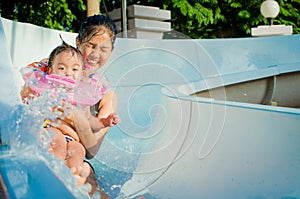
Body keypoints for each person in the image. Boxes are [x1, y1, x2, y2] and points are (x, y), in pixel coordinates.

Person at [20, 42, 120, 188]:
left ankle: (72, 180)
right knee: (58, 146)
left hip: (74, 139)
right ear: (50, 71)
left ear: (81, 74)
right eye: (61, 68)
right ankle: (53, 175)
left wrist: (104, 122)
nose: (68, 73)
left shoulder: (80, 97)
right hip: (54, 130)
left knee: (78, 154)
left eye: (74, 69)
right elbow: (29, 106)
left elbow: (89, 120)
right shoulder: (47, 91)